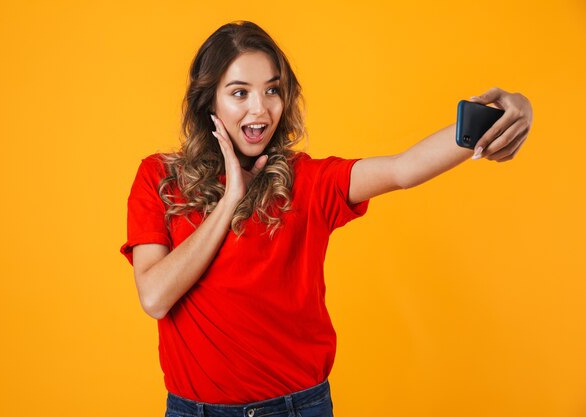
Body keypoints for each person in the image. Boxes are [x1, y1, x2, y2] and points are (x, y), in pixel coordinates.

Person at [120, 20, 533, 417]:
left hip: (297, 408)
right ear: (209, 100)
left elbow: (402, 169)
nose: (260, 108)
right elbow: (155, 297)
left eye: (272, 90)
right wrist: (231, 199)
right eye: (239, 93)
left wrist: (506, 112)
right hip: (194, 412)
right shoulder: (159, 178)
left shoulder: (308, 182)